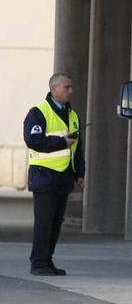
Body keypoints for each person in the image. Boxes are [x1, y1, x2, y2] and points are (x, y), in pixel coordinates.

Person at [23, 73, 85, 276]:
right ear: (54, 89)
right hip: (44, 176)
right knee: (44, 222)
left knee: (56, 223)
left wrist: (80, 173)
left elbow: (77, 148)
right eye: (67, 87)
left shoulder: (72, 115)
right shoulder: (39, 112)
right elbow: (33, 140)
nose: (71, 91)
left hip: (63, 177)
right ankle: (38, 263)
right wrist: (61, 142)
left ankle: (47, 261)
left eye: (71, 87)